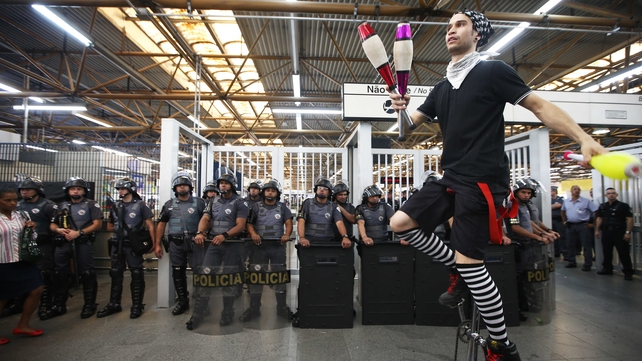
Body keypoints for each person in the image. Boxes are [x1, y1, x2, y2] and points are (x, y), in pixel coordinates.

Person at [388, 10, 606, 360]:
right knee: (400, 224)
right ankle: (458, 270)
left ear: (478, 35)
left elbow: (539, 106)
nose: (451, 30)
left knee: (474, 266)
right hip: (451, 177)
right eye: (449, 26)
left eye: (460, 25)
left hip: (483, 181)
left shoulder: (492, 72)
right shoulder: (442, 87)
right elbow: (403, 130)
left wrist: (582, 137)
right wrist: (399, 108)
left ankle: (501, 345)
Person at [193, 172, 249, 328]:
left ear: (232, 185)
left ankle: (227, 312)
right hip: (214, 244)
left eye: (226, 182)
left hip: (232, 244)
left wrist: (225, 235)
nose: (223, 185)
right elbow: (205, 218)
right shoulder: (213, 201)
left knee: (228, 278)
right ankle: (198, 312)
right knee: (206, 275)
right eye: (221, 183)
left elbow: (240, 225)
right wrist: (200, 232)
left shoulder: (240, 202)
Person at [98, 178, 155, 319]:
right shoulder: (116, 206)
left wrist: (154, 243)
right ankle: (114, 303)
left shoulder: (141, 205)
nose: (120, 191)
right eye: (118, 189)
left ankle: (137, 305)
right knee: (115, 272)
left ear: (130, 189)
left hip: (132, 245)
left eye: (122, 188)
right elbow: (110, 225)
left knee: (136, 272)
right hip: (118, 244)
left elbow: (150, 225)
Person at [154, 171, 207, 317]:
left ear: (190, 187)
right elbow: (161, 225)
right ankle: (183, 301)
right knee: (178, 272)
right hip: (176, 244)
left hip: (196, 243)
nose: (182, 187)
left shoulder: (200, 203)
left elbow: (208, 220)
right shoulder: (169, 205)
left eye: (185, 185)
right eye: (179, 185)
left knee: (200, 272)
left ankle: (202, 303)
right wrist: (157, 244)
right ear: (175, 188)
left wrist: (202, 233)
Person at [50, 177, 103, 319]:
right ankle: (59, 304)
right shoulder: (62, 206)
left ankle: (89, 305)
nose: (75, 191)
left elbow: (97, 224)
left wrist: (78, 233)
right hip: (64, 242)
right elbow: (53, 224)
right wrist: (59, 231)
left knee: (87, 273)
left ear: (84, 191)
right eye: (72, 189)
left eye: (79, 189)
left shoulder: (91, 205)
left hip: (83, 242)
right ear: (67, 191)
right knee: (60, 273)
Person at [241, 178, 293, 321]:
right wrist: (253, 234)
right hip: (259, 247)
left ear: (277, 193)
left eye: (273, 190)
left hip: (277, 247)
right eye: (268, 190)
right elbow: (249, 224)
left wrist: (286, 234)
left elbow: (288, 222)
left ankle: (281, 307)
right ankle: (254, 308)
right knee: (256, 277)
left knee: (279, 277)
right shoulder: (256, 207)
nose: (270, 192)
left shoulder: (282, 207)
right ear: (264, 192)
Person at [0, 188, 44, 345]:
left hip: (23, 260)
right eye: (8, 200)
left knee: (37, 288)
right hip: (3, 262)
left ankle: (23, 325)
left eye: (14, 200)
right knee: (3, 297)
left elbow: (32, 237)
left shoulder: (21, 215)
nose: (12, 203)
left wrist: (31, 229)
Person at [16, 178, 58, 321]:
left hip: (42, 243)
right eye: (22, 190)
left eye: (28, 189)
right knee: (20, 274)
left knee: (45, 273)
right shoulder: (17, 205)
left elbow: (55, 223)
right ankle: (18, 303)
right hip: (22, 245)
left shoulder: (48, 206)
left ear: (37, 190)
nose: (24, 192)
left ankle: (46, 304)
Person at [297, 177, 351, 248]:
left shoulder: (333, 206)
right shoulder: (307, 203)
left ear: (329, 192)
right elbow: (301, 221)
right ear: (316, 190)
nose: (322, 190)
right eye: (319, 187)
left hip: (328, 243)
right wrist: (302, 238)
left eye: (325, 188)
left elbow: (339, 222)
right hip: (309, 243)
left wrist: (345, 237)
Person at [595, 188, 634, 280]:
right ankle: (607, 269)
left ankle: (628, 272)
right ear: (606, 195)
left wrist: (628, 232)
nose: (611, 195)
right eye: (609, 193)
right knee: (607, 251)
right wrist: (597, 230)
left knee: (623, 252)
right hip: (606, 232)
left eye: (613, 193)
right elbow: (599, 218)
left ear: (616, 195)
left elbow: (630, 219)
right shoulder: (603, 206)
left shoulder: (623, 206)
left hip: (619, 232)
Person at [561, 185, 598, 271]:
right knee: (570, 245)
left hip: (583, 226)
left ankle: (587, 264)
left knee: (586, 245)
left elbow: (596, 211)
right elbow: (562, 211)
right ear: (571, 191)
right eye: (575, 189)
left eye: (578, 189)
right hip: (570, 225)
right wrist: (564, 221)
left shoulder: (586, 201)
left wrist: (593, 224)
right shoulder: (566, 202)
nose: (577, 191)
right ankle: (571, 262)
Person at [550, 186, 567, 259]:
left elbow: (559, 205)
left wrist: (551, 206)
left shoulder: (560, 199)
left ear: (554, 191)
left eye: (551, 191)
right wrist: (554, 206)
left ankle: (565, 253)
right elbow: (554, 206)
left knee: (562, 237)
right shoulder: (549, 200)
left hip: (559, 220)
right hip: (552, 220)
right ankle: (556, 252)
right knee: (554, 237)